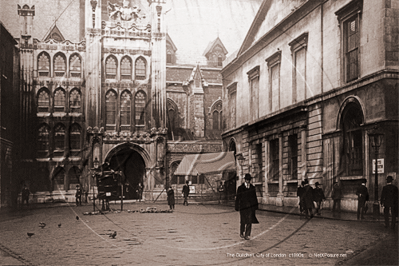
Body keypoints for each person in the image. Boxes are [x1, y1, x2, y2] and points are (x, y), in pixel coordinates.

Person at [235, 174, 259, 240]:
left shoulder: (252, 187)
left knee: (249, 221)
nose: (248, 181)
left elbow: (254, 197)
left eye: (249, 180)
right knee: (243, 221)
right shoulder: (240, 188)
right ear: (245, 180)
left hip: (250, 207)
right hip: (243, 207)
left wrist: (255, 206)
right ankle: (242, 232)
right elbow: (238, 198)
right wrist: (237, 206)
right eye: (247, 180)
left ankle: (247, 235)